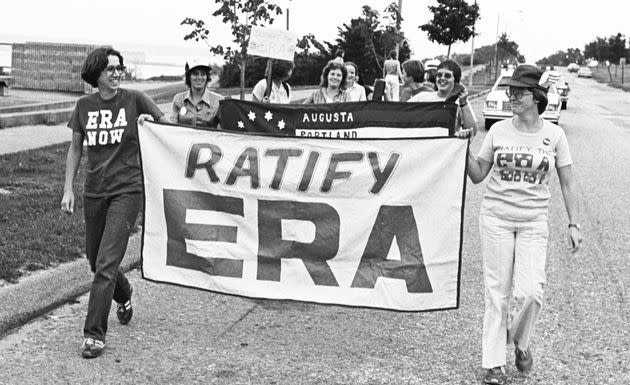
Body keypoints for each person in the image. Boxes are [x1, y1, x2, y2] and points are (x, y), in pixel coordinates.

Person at [465, 64, 583, 385]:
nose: (512, 96)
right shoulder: (498, 131)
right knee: (497, 293)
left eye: (519, 92)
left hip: (533, 221)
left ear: (537, 97)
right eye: (511, 91)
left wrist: (574, 224)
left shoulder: (554, 135)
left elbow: (568, 183)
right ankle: (493, 364)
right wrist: (463, 149)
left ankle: (521, 343)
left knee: (532, 291)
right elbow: (478, 175)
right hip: (496, 219)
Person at [61, 47, 168, 359]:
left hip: (127, 191)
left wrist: (152, 123)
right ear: (97, 75)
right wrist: (67, 189)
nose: (118, 73)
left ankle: (93, 334)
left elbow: (166, 125)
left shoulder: (135, 99)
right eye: (111, 69)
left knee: (106, 264)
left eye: (120, 68)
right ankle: (124, 293)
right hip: (94, 192)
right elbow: (75, 149)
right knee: (95, 261)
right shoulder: (84, 105)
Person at [408, 59, 477, 138]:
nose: (442, 78)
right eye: (439, 75)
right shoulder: (421, 97)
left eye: (447, 75)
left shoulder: (460, 102)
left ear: (456, 81)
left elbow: (473, 131)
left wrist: (463, 104)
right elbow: (401, 113)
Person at [171, 60, 223, 128]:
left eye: (203, 74)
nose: (199, 77)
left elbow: (222, 132)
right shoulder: (178, 99)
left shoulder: (219, 100)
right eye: (195, 74)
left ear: (207, 77)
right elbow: (172, 127)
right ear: (189, 77)